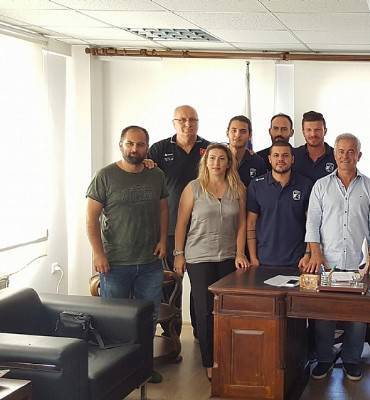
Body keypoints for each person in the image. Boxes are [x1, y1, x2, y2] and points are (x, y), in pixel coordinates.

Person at [86, 125, 168, 383]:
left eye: (140, 144)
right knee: (114, 320)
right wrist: (98, 253)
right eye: (130, 144)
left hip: (150, 262)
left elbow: (163, 209)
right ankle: (116, 372)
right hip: (115, 263)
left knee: (148, 318)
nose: (135, 149)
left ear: (147, 147)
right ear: (120, 145)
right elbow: (91, 218)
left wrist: (163, 240)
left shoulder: (156, 175)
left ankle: (144, 367)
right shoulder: (105, 176)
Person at [301, 133, 370, 381]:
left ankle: (351, 360)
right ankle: (325, 359)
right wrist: (315, 254)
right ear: (334, 154)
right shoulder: (321, 186)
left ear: (359, 155)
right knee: (324, 314)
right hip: (328, 263)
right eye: (341, 151)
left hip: (359, 264)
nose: (345, 156)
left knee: (357, 316)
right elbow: (312, 223)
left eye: (351, 151)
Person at [172, 143, 249, 380]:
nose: (216, 163)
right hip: (199, 257)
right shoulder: (193, 188)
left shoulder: (238, 188)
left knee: (226, 310)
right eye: (212, 158)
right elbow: (181, 224)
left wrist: (240, 253)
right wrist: (178, 254)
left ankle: (226, 356)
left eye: (221, 159)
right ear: (205, 162)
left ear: (228, 163)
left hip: (227, 256)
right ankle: (209, 361)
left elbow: (242, 224)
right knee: (205, 311)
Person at [148, 105, 210, 339]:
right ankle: (171, 333)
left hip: (201, 231)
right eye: (182, 120)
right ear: (174, 122)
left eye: (192, 119)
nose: (188, 124)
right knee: (170, 283)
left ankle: (200, 332)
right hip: (170, 229)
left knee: (200, 286)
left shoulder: (208, 149)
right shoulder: (159, 149)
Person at [247, 140, 313, 268]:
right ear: (269, 159)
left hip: (298, 261)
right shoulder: (256, 185)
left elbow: (311, 223)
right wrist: (253, 257)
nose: (280, 159)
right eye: (276, 155)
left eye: (285, 155)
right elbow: (251, 223)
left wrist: (307, 254)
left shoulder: (305, 185)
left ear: (292, 159)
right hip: (264, 260)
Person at [293, 110, 337, 183]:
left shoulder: (337, 156)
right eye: (309, 130)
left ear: (325, 131)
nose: (313, 134)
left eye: (317, 130)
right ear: (303, 132)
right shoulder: (293, 155)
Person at [227, 115, 268, 187]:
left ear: (250, 135)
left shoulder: (258, 162)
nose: (237, 135)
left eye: (243, 131)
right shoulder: (218, 158)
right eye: (234, 130)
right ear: (227, 133)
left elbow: (262, 189)